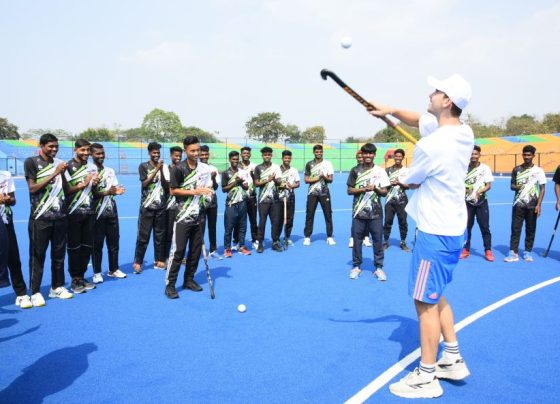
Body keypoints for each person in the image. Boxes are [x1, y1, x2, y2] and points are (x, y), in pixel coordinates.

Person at [371, 74, 474, 398]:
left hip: (434, 233)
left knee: (424, 302)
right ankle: (453, 357)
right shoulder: (463, 132)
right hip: (453, 228)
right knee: (436, 292)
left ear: (447, 101)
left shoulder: (432, 146)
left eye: (436, 90)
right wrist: (389, 111)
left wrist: (393, 179)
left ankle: (427, 376)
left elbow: (411, 180)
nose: (430, 93)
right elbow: (421, 120)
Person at [25, 133, 74, 306]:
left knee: (59, 254)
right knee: (37, 256)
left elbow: (67, 190)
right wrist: (55, 173)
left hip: (60, 217)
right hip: (40, 218)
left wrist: (85, 184)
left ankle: (57, 287)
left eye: (56, 146)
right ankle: (35, 291)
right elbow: (32, 189)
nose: (54, 149)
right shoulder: (31, 162)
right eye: (50, 146)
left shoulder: (60, 164)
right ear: (42, 146)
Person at [164, 136, 213, 299]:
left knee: (195, 250)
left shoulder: (205, 169)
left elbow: (207, 188)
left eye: (198, 150)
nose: (196, 153)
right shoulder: (178, 168)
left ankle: (189, 280)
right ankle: (170, 285)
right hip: (182, 216)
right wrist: (194, 192)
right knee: (178, 251)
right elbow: (173, 191)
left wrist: (208, 195)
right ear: (185, 150)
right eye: (192, 150)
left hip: (199, 216)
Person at [347, 143, 390, 281]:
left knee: (377, 240)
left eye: (370, 153)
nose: (367, 156)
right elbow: (349, 190)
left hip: (376, 213)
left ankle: (378, 268)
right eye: (365, 153)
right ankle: (356, 266)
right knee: (357, 240)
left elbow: (384, 192)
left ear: (374, 155)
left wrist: (375, 189)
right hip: (358, 212)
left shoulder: (380, 171)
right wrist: (363, 189)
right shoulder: (355, 170)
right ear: (362, 155)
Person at [91, 143, 127, 283]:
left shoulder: (110, 171)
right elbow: (90, 194)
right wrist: (108, 192)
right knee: (97, 244)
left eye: (102, 153)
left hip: (111, 212)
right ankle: (97, 272)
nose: (101, 156)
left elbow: (113, 189)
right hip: (96, 214)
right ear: (91, 154)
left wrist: (117, 191)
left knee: (114, 242)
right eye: (97, 154)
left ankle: (113, 269)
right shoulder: (88, 171)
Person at [65, 139, 98, 294]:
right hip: (73, 213)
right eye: (82, 150)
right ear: (76, 150)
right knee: (74, 247)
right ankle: (74, 279)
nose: (85, 153)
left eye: (87, 151)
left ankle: (82, 275)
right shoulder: (67, 167)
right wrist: (82, 184)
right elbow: (65, 191)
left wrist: (95, 183)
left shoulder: (92, 167)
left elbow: (94, 191)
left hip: (90, 212)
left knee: (87, 247)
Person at [504, 145, 546, 263]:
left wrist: (539, 205)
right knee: (515, 229)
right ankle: (513, 252)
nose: (526, 157)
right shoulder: (516, 169)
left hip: (532, 206)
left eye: (529, 155)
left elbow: (542, 188)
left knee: (530, 229)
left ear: (533, 156)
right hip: (518, 204)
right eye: (525, 154)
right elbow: (512, 186)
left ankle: (528, 251)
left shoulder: (539, 171)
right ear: (522, 155)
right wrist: (518, 186)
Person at [133, 142, 167, 273]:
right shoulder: (143, 166)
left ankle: (158, 260)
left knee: (159, 235)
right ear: (149, 153)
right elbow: (145, 184)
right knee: (143, 236)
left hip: (160, 206)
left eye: (158, 153)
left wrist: (162, 171)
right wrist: (157, 169)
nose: (156, 155)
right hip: (147, 206)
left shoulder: (163, 167)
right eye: (154, 153)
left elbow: (165, 185)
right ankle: (138, 262)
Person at [0, 170, 32, 308]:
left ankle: (21, 294)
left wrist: (8, 200)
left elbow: (13, 201)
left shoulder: (6, 175)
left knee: (13, 258)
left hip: (6, 221)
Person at [460, 145, 495, 261]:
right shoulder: (463, 168)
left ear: (479, 155)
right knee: (466, 227)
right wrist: (465, 189)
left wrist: (480, 191)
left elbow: (488, 185)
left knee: (485, 227)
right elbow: (458, 185)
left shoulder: (485, 169)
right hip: (467, 203)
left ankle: (488, 250)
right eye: (471, 154)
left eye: (475, 154)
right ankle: (465, 249)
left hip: (481, 203)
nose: (473, 156)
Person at [303, 144, 335, 246]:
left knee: (328, 214)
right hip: (312, 193)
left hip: (324, 193)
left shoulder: (328, 164)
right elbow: (306, 180)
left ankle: (329, 237)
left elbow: (330, 180)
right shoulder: (309, 164)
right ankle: (307, 237)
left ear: (322, 152)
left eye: (320, 152)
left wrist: (323, 176)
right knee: (310, 214)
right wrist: (317, 178)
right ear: (314, 152)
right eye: (317, 152)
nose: (319, 153)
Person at [222, 151, 251, 258]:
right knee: (229, 227)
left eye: (236, 159)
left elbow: (247, 187)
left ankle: (242, 246)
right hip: (231, 203)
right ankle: (227, 248)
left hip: (242, 202)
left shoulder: (242, 172)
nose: (235, 161)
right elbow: (224, 189)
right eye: (233, 159)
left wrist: (242, 184)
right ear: (230, 160)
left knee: (243, 226)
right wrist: (235, 182)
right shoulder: (225, 173)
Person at [254, 147, 283, 253]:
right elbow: (256, 183)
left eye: (269, 154)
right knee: (262, 222)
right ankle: (260, 243)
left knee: (275, 222)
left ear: (271, 155)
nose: (267, 156)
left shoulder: (276, 167)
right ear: (262, 156)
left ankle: (275, 242)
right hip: (263, 199)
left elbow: (280, 182)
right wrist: (267, 180)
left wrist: (275, 180)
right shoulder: (258, 168)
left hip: (275, 199)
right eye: (265, 154)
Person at [383, 148, 410, 252]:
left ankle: (403, 242)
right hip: (390, 200)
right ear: (394, 157)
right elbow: (383, 186)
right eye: (396, 156)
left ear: (403, 158)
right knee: (387, 221)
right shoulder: (387, 171)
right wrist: (390, 184)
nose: (398, 158)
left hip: (402, 201)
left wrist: (400, 183)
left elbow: (408, 186)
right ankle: (385, 241)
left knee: (403, 222)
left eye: (400, 156)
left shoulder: (406, 171)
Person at [199, 145, 221, 259]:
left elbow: (216, 187)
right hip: (199, 201)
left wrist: (212, 178)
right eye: (202, 154)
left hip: (212, 201)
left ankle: (213, 250)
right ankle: (199, 250)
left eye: (206, 154)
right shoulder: (196, 168)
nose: (204, 156)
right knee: (200, 227)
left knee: (212, 226)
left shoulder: (213, 168)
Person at [235, 146, 258, 250]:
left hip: (252, 196)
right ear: (241, 154)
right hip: (239, 198)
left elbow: (257, 183)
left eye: (248, 153)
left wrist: (253, 175)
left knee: (253, 219)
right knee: (238, 220)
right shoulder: (236, 166)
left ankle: (255, 240)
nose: (246, 155)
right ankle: (237, 241)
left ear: (250, 154)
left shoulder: (254, 166)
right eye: (244, 153)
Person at [162, 146, 183, 260]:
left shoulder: (183, 169)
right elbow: (166, 187)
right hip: (169, 206)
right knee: (169, 233)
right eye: (176, 155)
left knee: (181, 234)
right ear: (171, 156)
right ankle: (166, 257)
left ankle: (178, 256)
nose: (178, 158)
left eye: (180, 156)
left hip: (182, 206)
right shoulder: (166, 168)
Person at [349, 150, 372, 249]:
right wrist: (361, 189)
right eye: (358, 157)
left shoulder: (371, 170)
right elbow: (350, 189)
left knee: (368, 219)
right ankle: (352, 238)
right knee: (356, 220)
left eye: (361, 157)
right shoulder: (354, 170)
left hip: (369, 198)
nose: (360, 159)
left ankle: (366, 238)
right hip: (358, 200)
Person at [279, 150, 300, 246]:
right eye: (285, 158)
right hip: (279, 198)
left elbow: (298, 183)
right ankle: (277, 238)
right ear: (282, 158)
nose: (287, 159)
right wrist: (281, 185)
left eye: (289, 158)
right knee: (279, 218)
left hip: (291, 197)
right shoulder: (277, 169)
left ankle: (287, 236)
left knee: (290, 218)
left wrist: (292, 186)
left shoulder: (294, 170)